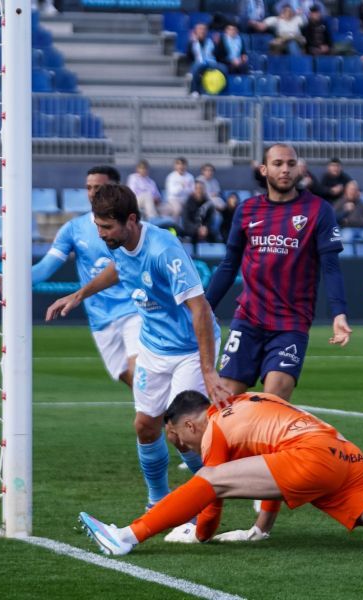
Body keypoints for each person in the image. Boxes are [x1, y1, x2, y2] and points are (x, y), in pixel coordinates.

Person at [79, 390, 363, 556]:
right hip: (348, 458)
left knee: (211, 480)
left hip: (312, 457)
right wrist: (259, 528)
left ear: (191, 424)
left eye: (177, 438)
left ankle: (128, 537)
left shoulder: (215, 428)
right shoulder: (248, 402)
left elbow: (211, 494)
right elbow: (272, 474)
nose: (183, 446)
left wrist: (200, 534)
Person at [45, 184, 227, 514]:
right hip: (153, 347)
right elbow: (118, 268)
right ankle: (157, 500)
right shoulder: (118, 243)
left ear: (130, 220)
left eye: (107, 227)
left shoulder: (163, 249)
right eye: (98, 227)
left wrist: (207, 369)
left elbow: (199, 308)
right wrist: (79, 294)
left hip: (188, 349)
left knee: (184, 431)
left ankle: (214, 496)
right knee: (145, 425)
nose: (101, 234)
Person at [205, 144, 351, 536]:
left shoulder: (318, 210)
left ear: (298, 169)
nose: (285, 170)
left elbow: (332, 267)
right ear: (263, 169)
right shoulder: (247, 211)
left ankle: (263, 524)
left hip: (290, 325)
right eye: (277, 164)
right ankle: (204, 513)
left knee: (272, 413)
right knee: (222, 413)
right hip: (247, 320)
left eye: (290, 164)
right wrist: (202, 307)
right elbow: (228, 264)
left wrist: (338, 313)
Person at [0, 165, 140, 388]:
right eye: (89, 187)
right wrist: (15, 281)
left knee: (140, 373)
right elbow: (46, 267)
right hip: (100, 318)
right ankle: (171, 415)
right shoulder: (73, 229)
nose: (93, 193)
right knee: (129, 378)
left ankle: (170, 417)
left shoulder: (129, 226)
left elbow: (127, 265)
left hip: (134, 310)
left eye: (99, 187)